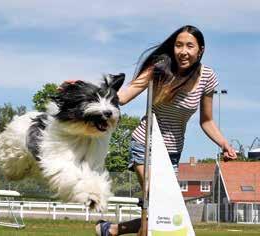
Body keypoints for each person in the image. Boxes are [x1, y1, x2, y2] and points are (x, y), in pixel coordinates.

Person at [95, 25, 237, 236]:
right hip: (145, 144)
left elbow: (206, 120)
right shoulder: (159, 69)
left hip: (172, 152)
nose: (183, 51)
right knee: (158, 204)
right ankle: (112, 230)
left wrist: (224, 143)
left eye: (190, 46)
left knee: (166, 211)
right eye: (179, 45)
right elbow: (124, 96)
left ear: (201, 50)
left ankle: (112, 229)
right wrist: (87, 91)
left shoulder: (207, 77)